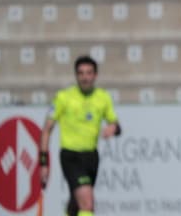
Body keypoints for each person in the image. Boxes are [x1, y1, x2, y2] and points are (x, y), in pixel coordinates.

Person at [40, 55, 121, 216]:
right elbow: (47, 129)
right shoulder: (64, 97)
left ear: (95, 75)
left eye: (89, 73)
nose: (85, 77)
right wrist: (43, 162)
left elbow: (116, 125)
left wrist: (113, 128)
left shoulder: (103, 97)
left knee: (75, 204)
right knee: (87, 203)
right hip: (71, 156)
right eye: (81, 73)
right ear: (76, 75)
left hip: (91, 157)